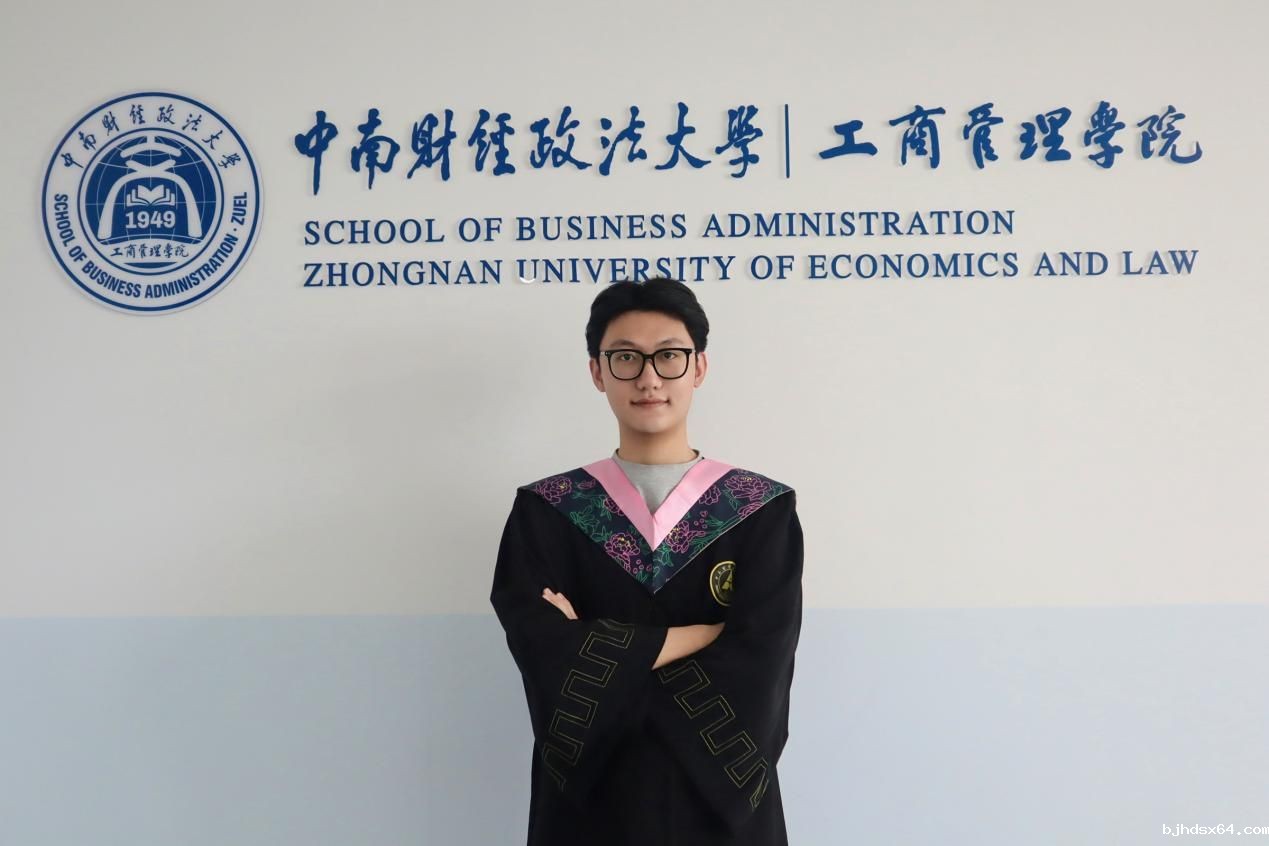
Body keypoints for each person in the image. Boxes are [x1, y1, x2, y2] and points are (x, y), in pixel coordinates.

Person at [489, 277, 804, 846]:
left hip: (719, 818)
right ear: (597, 372)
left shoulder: (760, 511)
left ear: (699, 367)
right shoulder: (548, 512)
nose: (649, 378)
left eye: (669, 356)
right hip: (591, 811)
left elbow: (762, 664)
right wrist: (702, 634)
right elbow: (544, 654)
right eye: (626, 357)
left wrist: (596, 646)